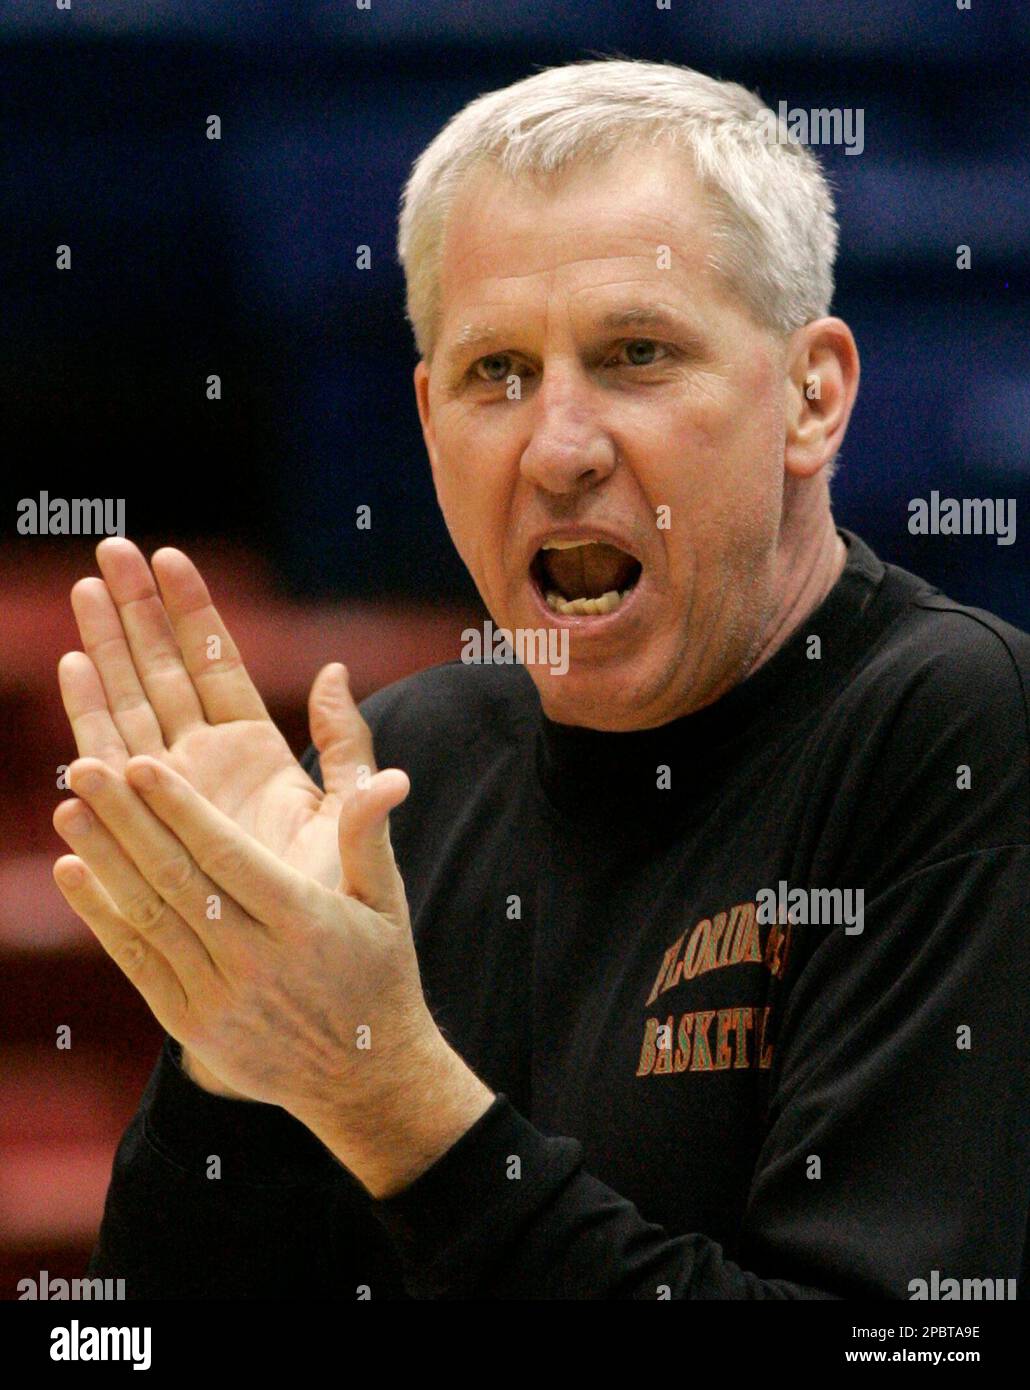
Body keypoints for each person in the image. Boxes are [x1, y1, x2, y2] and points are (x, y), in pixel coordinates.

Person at [54, 59, 1028, 1300]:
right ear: (425, 421)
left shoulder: (955, 732)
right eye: (495, 374)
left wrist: (388, 1095)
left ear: (810, 397)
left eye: (635, 353)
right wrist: (236, 1054)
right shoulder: (397, 780)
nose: (558, 445)